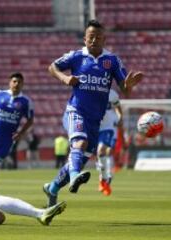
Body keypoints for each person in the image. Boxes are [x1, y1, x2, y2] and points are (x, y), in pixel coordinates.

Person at [42, 19, 143, 207]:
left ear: (104, 40)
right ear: (84, 39)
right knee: (79, 143)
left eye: (98, 37)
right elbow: (52, 67)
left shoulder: (112, 61)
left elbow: (124, 89)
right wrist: (64, 78)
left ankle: (53, 188)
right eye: (91, 37)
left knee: (79, 161)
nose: (94, 40)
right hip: (76, 110)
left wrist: (129, 86)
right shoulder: (76, 56)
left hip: (96, 119)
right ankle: (74, 178)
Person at [96, 89, 123, 196]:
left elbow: (118, 107)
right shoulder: (89, 90)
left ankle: (108, 175)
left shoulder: (112, 94)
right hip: (93, 128)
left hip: (108, 129)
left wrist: (120, 116)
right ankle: (103, 177)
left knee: (104, 151)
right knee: (99, 155)